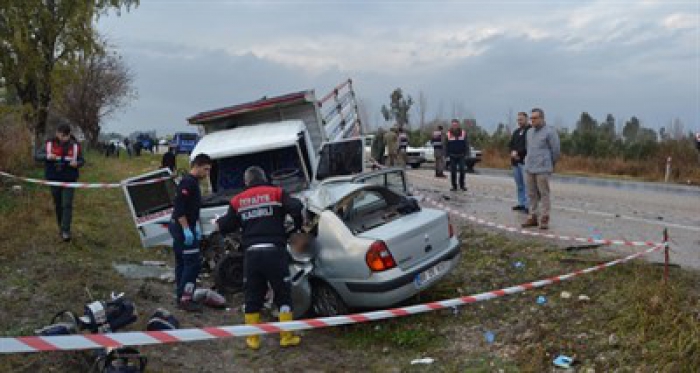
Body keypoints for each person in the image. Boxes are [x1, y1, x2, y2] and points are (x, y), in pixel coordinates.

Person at [215, 166, 304, 350]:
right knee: (282, 294)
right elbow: (296, 207)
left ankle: (253, 340)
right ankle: (286, 336)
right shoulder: (277, 193)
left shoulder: (238, 200)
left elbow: (225, 226)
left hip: (252, 255)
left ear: (246, 182)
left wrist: (218, 224)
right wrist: (295, 227)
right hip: (275, 252)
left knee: (252, 295)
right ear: (264, 178)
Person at [168, 153, 212, 312]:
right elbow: (179, 208)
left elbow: (193, 207)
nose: (207, 174)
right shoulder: (188, 183)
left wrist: (197, 226)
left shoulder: (192, 182)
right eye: (206, 170)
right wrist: (187, 229)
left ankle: (180, 296)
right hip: (182, 227)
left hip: (183, 226)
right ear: (198, 166)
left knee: (181, 261)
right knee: (193, 263)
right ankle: (186, 298)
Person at [42, 125, 84, 242]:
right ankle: (61, 227)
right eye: (61, 135)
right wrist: (47, 156)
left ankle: (66, 231)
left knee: (67, 204)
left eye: (66, 136)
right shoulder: (49, 143)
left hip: (69, 179)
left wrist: (78, 163)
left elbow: (82, 160)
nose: (63, 138)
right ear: (57, 133)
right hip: (54, 178)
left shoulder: (75, 145)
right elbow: (37, 155)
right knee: (58, 204)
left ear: (69, 134)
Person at [522, 108, 560, 230]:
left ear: (542, 118)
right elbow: (529, 148)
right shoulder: (529, 132)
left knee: (544, 193)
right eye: (531, 118)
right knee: (531, 193)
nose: (532, 120)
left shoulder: (550, 131)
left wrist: (550, 164)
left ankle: (544, 218)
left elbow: (556, 150)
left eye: (535, 118)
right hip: (530, 167)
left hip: (543, 168)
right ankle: (533, 216)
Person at [509, 112, 531, 212]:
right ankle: (521, 203)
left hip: (525, 162)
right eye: (518, 120)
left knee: (527, 185)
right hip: (515, 162)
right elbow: (511, 144)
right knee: (520, 185)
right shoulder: (516, 132)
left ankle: (528, 206)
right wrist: (512, 152)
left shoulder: (530, 131)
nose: (519, 121)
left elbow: (528, 146)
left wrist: (519, 153)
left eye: (521, 119)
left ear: (526, 119)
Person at [446, 119, 470, 191]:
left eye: (456, 125)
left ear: (458, 125)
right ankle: (454, 186)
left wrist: (467, 153)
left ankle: (462, 185)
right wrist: (446, 155)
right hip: (452, 155)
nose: (454, 126)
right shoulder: (448, 134)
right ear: (451, 125)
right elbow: (445, 145)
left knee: (462, 171)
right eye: (453, 125)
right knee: (453, 172)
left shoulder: (463, 133)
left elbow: (467, 144)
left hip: (461, 155)